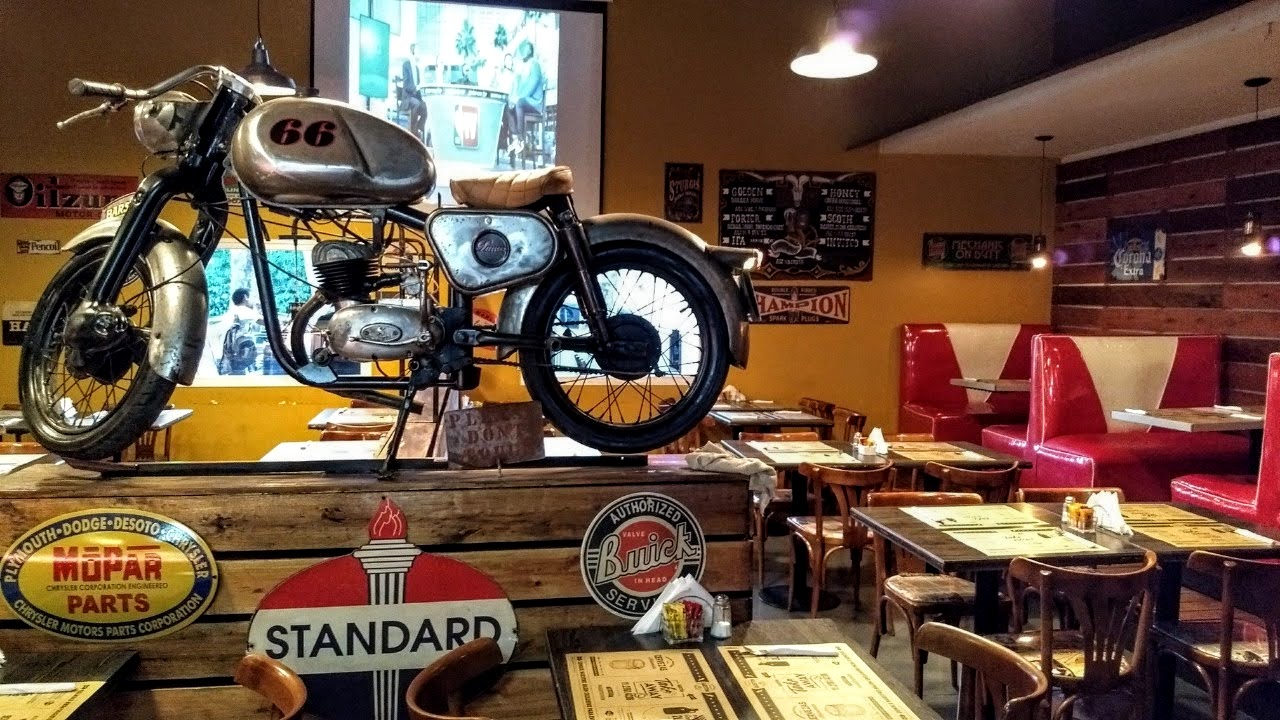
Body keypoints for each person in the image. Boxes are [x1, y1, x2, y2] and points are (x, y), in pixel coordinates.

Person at [503, 40, 545, 157]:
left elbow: (531, 87)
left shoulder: (535, 65)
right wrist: (514, 99)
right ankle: (516, 137)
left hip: (534, 103)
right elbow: (519, 88)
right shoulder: (524, 67)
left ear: (529, 51)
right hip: (525, 101)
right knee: (508, 107)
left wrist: (518, 98)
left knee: (519, 103)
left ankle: (521, 139)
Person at [399, 43, 428, 144]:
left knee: (424, 106)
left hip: (415, 96)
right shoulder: (406, 65)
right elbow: (406, 84)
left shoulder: (417, 69)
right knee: (416, 103)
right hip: (407, 97)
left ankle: (419, 127)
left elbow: (418, 85)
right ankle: (413, 131)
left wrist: (420, 90)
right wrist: (414, 89)